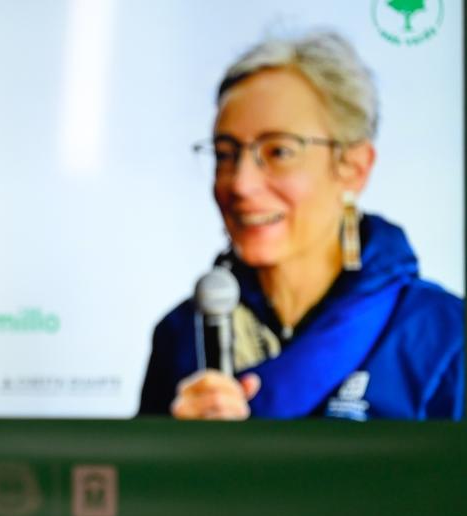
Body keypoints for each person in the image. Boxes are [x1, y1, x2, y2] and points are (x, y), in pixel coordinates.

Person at [139, 32, 463, 420]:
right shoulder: (181, 335)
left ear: (354, 167)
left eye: (278, 151)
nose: (240, 184)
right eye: (226, 154)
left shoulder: (444, 337)